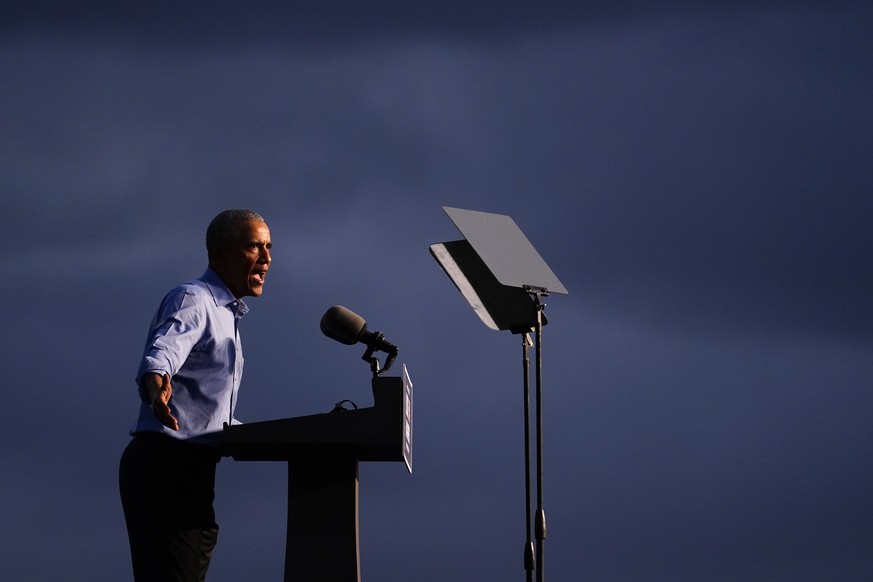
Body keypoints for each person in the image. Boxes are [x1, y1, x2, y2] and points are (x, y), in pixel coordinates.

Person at [119, 209, 272, 581]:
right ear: (219, 254)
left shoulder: (228, 316)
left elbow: (212, 411)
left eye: (269, 247)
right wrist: (156, 389)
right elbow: (159, 357)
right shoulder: (194, 299)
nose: (267, 259)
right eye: (254, 247)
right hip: (166, 466)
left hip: (193, 470)